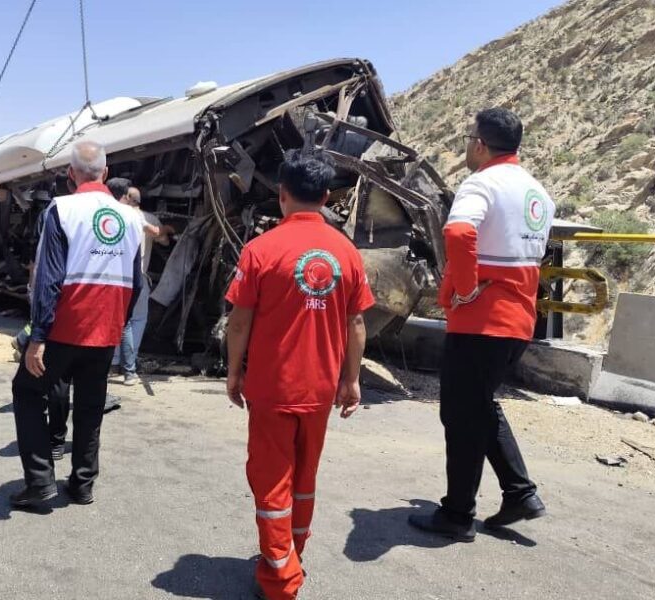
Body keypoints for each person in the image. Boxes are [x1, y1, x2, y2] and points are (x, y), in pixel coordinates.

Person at [225, 149, 374, 600]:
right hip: (320, 389)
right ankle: (292, 552)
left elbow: (239, 321)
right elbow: (357, 323)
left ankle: (281, 580)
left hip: (273, 388)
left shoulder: (260, 250)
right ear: (326, 197)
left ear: (282, 194)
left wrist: (233, 373)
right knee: (304, 479)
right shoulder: (347, 252)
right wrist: (352, 380)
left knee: (272, 481)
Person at [407, 108, 555, 541]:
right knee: (478, 404)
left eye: (470, 137)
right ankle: (520, 493)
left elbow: (458, 233)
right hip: (518, 321)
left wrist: (467, 287)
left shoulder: (481, 183)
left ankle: (456, 515)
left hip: (481, 322)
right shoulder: (538, 193)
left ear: (480, 144)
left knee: (460, 414)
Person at [10, 140, 142, 510]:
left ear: (70, 174)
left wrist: (37, 337)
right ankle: (83, 483)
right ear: (106, 173)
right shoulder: (132, 218)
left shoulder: (61, 210)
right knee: (90, 404)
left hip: (65, 328)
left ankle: (39, 481)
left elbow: (49, 278)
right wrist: (120, 321)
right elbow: (137, 280)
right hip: (105, 330)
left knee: (27, 391)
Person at [112, 185, 169, 386]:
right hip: (139, 278)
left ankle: (114, 360)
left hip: (114, 277)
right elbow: (163, 240)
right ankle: (129, 362)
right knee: (136, 320)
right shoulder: (148, 218)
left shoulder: (115, 214)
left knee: (117, 320)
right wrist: (168, 229)